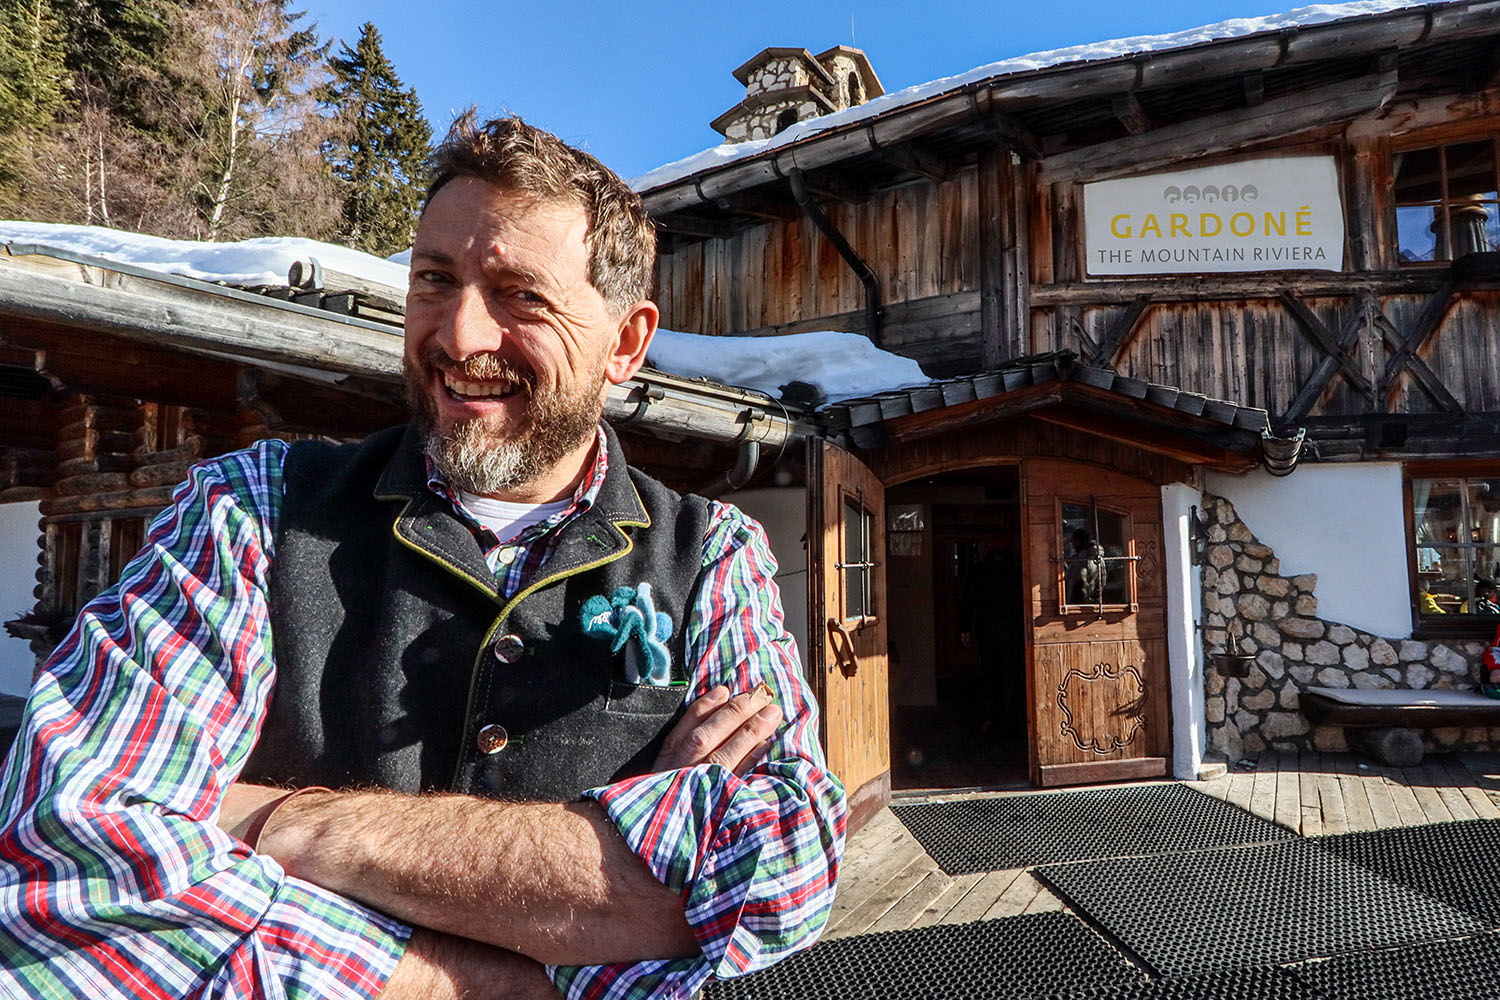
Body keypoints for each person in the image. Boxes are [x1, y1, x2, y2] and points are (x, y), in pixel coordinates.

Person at [0, 114, 845, 1000]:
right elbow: (67, 860)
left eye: (521, 295)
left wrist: (286, 825)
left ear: (624, 345)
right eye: (434, 281)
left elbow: (782, 866)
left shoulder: (713, 555)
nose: (459, 337)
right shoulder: (250, 507)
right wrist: (505, 977)